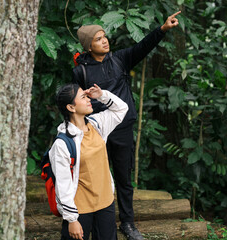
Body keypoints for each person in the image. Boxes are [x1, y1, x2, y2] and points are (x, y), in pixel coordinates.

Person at [71, 11, 181, 240]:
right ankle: (95, 221)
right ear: (89, 46)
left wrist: (162, 29)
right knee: (95, 177)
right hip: (96, 130)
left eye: (104, 36)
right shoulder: (80, 71)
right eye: (98, 39)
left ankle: (128, 223)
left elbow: (143, 46)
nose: (105, 40)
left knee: (123, 177)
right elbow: (76, 102)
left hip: (122, 128)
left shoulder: (120, 58)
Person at [50, 83, 128, 240]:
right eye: (83, 97)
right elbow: (62, 185)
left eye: (87, 96)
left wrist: (101, 95)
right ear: (71, 108)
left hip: (105, 202)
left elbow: (122, 108)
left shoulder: (97, 124)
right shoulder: (62, 144)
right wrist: (72, 219)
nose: (88, 99)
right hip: (80, 209)